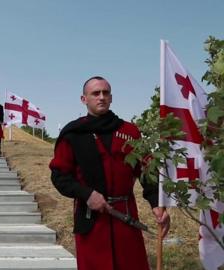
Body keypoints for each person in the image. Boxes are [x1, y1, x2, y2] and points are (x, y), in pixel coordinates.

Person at [49, 76, 170, 270]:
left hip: (125, 216)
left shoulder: (130, 132)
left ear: (111, 97)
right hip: (91, 219)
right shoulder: (73, 134)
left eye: (105, 93)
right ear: (84, 99)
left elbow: (147, 171)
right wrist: (86, 194)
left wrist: (157, 203)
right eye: (95, 93)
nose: (101, 97)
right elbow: (59, 176)